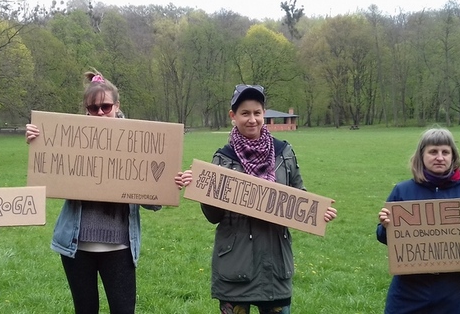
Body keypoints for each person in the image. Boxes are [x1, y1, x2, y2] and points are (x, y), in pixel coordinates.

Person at [174, 84, 338, 314]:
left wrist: (319, 212)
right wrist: (200, 186)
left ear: (264, 114)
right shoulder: (222, 159)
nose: (252, 119)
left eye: (257, 113)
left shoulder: (284, 152)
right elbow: (213, 217)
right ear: (233, 116)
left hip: (275, 266)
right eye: (245, 113)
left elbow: (299, 196)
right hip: (235, 265)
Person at [25, 70, 166, 314]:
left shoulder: (138, 142)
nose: (100, 113)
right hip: (76, 247)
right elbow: (49, 174)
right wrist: (39, 143)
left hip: (119, 248)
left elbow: (155, 203)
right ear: (85, 110)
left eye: (106, 106)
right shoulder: (70, 139)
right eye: (93, 108)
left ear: (117, 105)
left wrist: (166, 185)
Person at [376, 127, 460, 314]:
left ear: (453, 157)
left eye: (445, 152)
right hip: (408, 290)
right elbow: (384, 237)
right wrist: (385, 226)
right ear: (421, 156)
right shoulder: (402, 191)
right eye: (433, 151)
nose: (440, 157)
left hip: (454, 291)